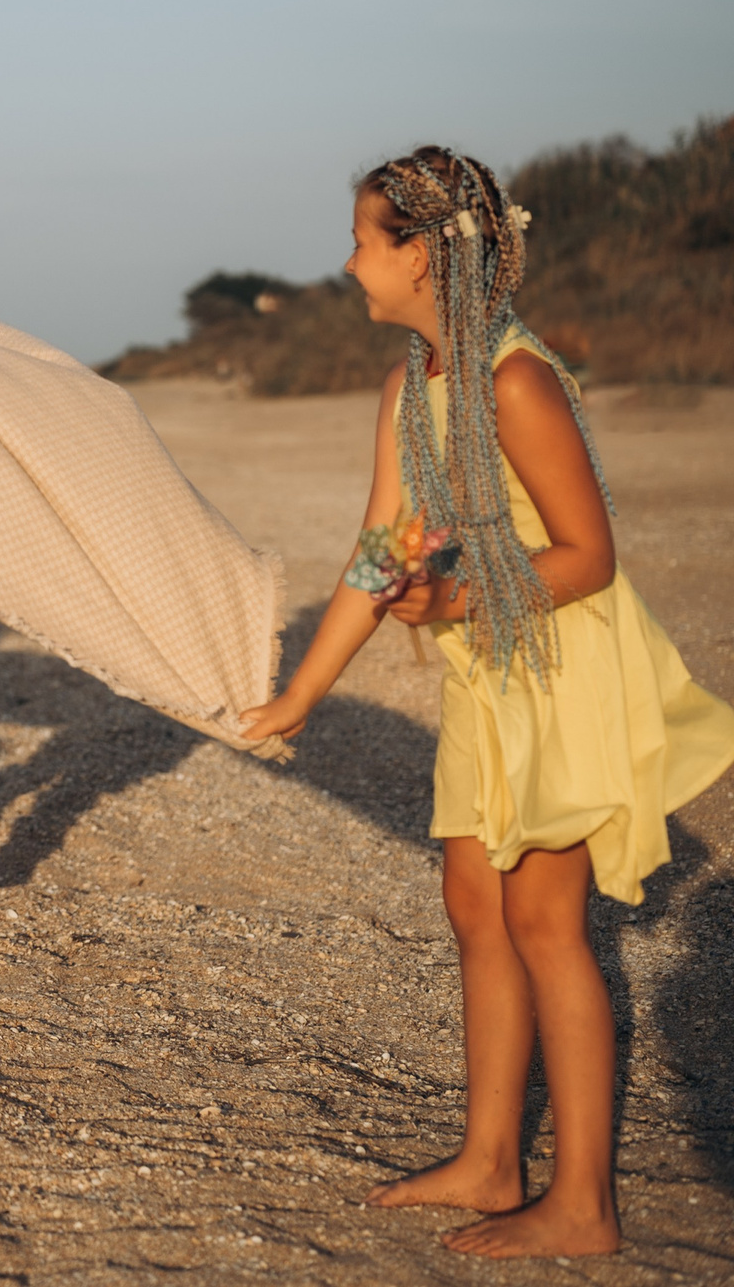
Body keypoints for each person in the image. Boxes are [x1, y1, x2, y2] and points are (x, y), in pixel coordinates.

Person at [241, 148, 733, 1259]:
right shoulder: (408, 386)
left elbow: (590, 555)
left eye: (362, 242)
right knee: (475, 906)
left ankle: (584, 1203)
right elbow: (382, 546)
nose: (348, 263)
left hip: (558, 663)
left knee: (546, 922)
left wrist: (456, 594)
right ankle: (491, 1154)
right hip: (485, 669)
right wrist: (300, 695)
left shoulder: (515, 379)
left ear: (420, 254)